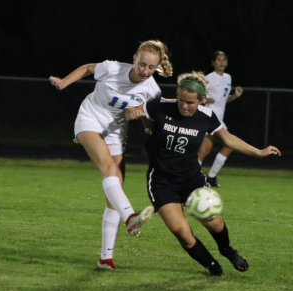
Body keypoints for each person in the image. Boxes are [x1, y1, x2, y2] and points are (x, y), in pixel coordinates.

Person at [125, 71, 280, 276]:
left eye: (190, 102)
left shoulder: (206, 116)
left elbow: (227, 139)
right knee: (182, 233)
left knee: (213, 222)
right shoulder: (160, 105)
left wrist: (258, 153)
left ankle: (226, 249)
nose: (184, 106)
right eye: (181, 100)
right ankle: (213, 267)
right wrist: (134, 114)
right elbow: (132, 111)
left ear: (202, 100)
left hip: (191, 178)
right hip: (161, 181)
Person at [49, 40, 173, 270]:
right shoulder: (113, 68)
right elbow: (87, 68)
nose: (145, 71)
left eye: (151, 67)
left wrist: (144, 121)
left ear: (157, 67)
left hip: (116, 131)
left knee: (114, 190)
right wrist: (64, 82)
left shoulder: (152, 90)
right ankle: (130, 219)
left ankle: (105, 259)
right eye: (142, 64)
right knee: (110, 169)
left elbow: (140, 115)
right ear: (134, 58)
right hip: (90, 117)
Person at [198, 51, 243, 187]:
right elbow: (197, 98)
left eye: (224, 60)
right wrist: (204, 99)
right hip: (210, 117)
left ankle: (207, 178)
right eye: (219, 60)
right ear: (213, 63)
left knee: (208, 150)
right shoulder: (208, 78)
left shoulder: (227, 78)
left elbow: (222, 101)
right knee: (226, 146)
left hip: (218, 118)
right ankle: (203, 178)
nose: (222, 62)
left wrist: (235, 96)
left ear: (227, 63)